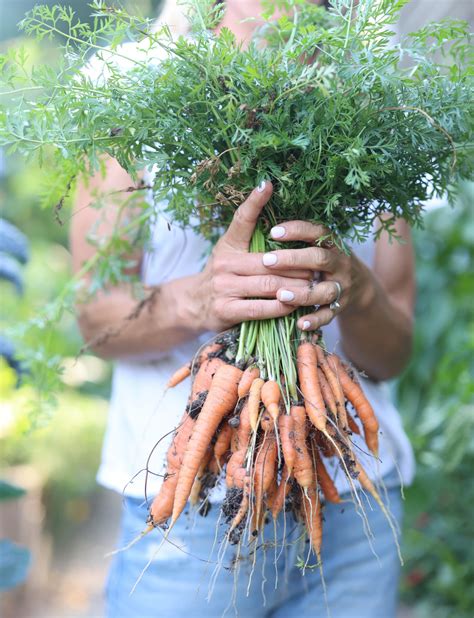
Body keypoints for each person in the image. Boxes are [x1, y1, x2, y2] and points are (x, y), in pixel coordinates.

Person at [70, 1, 416, 616]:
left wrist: (357, 290)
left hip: (351, 499)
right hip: (192, 496)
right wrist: (197, 299)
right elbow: (97, 318)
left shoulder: (378, 93)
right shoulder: (125, 84)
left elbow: (393, 354)